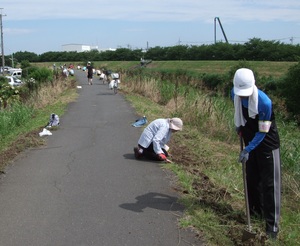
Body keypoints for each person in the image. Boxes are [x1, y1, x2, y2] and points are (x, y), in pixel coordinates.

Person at [232, 68, 281, 240]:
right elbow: (238, 113)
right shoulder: (235, 94)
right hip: (249, 139)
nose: (243, 97)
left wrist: (248, 149)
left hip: (267, 143)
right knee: (252, 179)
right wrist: (239, 126)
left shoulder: (264, 102)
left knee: (270, 185)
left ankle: (271, 227)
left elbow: (263, 131)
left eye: (246, 94)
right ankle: (255, 213)